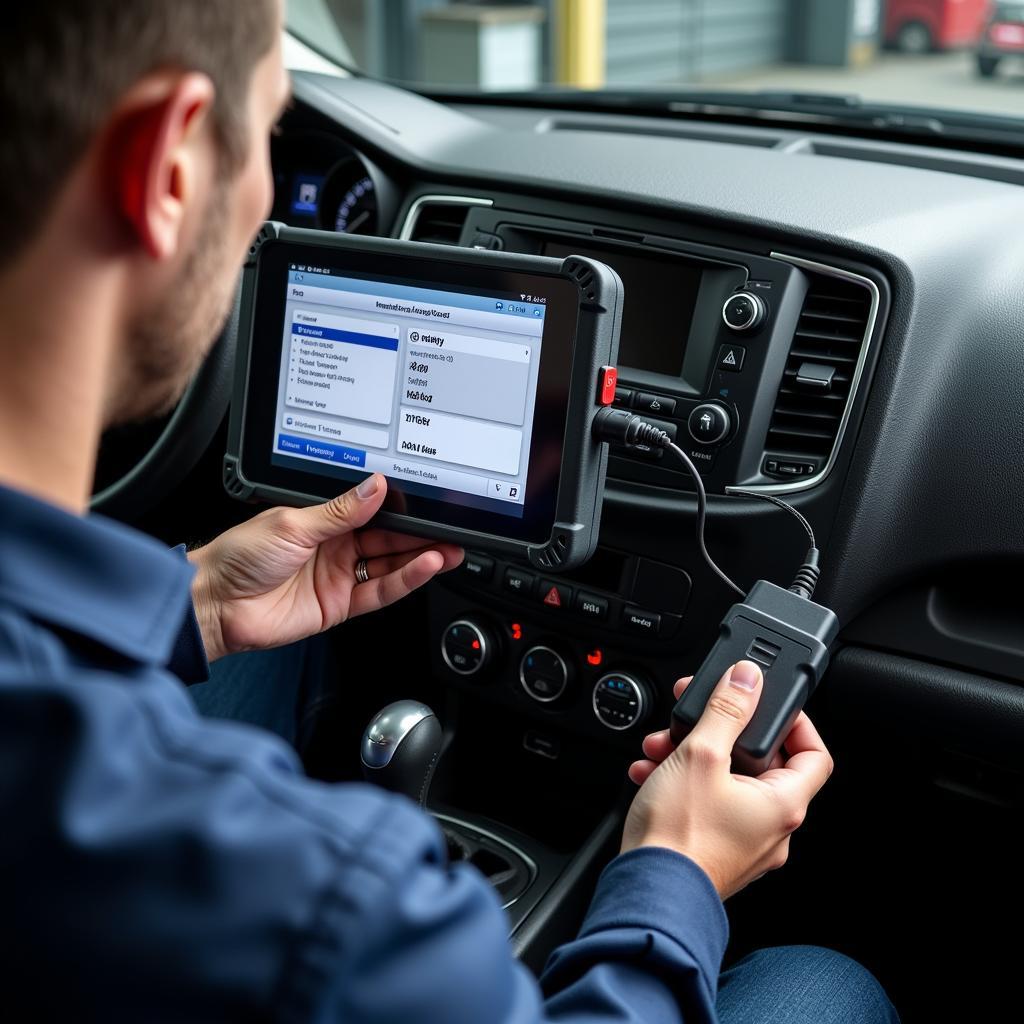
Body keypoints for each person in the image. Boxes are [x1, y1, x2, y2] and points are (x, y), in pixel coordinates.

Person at [0, 2, 900, 1021]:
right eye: (265, 136)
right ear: (162, 169)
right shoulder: (342, 901)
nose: (264, 196)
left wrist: (194, 603)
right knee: (823, 983)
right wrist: (672, 876)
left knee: (286, 651)